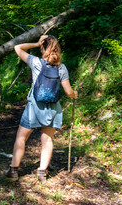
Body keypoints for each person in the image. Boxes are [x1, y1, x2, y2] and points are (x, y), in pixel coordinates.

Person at [6, 35, 78, 182]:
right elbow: (69, 92)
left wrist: (35, 43)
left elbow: (17, 47)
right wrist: (75, 94)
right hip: (52, 109)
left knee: (21, 137)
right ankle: (41, 173)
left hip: (34, 107)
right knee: (47, 140)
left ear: (42, 48)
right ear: (57, 48)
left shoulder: (36, 62)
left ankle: (14, 171)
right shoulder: (61, 68)